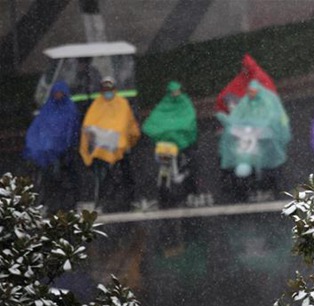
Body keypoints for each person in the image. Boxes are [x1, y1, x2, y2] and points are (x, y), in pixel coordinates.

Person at [79, 76, 141, 209]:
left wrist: (122, 139)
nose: (108, 92)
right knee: (103, 177)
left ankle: (129, 200)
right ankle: (104, 201)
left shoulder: (122, 104)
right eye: (105, 89)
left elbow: (126, 124)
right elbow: (89, 125)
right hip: (100, 149)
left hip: (120, 147)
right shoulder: (97, 105)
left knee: (126, 173)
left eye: (110, 89)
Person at [216, 80, 291, 189]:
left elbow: (272, 116)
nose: (250, 94)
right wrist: (230, 122)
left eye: (253, 91)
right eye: (249, 92)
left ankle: (272, 181)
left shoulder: (267, 102)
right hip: (248, 134)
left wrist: (267, 125)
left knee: (269, 155)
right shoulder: (245, 103)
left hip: (264, 134)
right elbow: (236, 116)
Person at [23, 81, 82, 210]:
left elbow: (71, 131)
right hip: (49, 155)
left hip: (65, 154)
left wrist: (65, 146)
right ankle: (54, 205)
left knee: (66, 181)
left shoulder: (69, 111)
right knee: (52, 181)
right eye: (56, 93)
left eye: (60, 93)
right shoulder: (47, 110)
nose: (58, 96)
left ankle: (67, 205)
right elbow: (38, 130)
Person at [142, 81, 197, 152]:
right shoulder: (166, 101)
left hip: (178, 124)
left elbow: (189, 113)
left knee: (179, 132)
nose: (176, 93)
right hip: (171, 124)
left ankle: (183, 150)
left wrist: (182, 122)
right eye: (174, 91)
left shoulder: (184, 100)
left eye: (177, 91)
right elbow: (159, 112)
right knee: (167, 132)